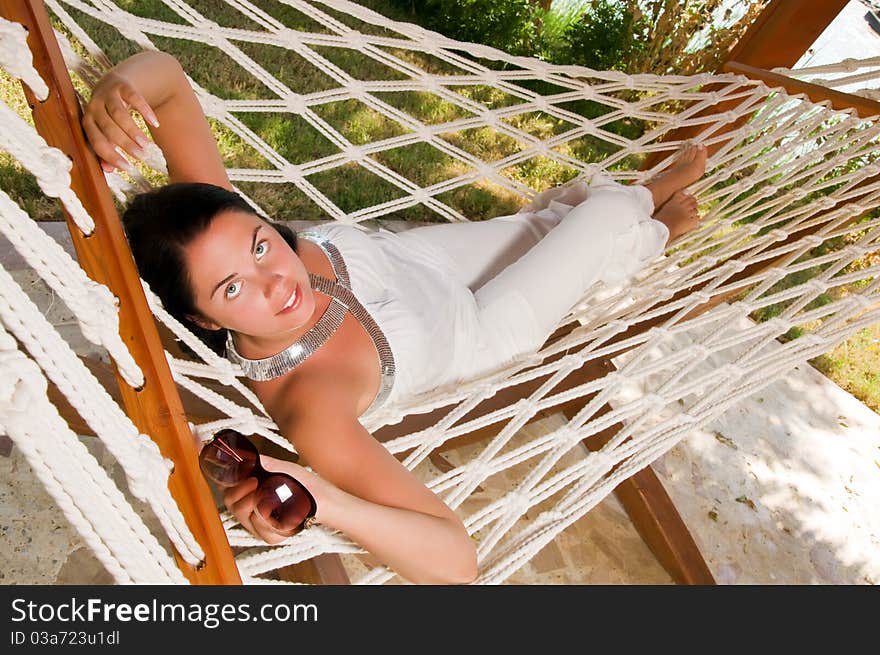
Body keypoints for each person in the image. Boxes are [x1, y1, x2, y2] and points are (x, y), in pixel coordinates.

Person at [82, 50, 706, 585]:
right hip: (475, 327)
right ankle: (647, 221)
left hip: (410, 263)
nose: (276, 282)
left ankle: (638, 210)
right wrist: (324, 499)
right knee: (595, 225)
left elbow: (165, 77)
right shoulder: (313, 409)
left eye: (261, 244)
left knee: (542, 228)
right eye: (234, 288)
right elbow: (456, 560)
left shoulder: (213, 226)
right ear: (205, 319)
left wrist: (119, 87)